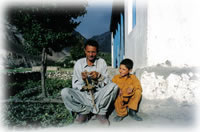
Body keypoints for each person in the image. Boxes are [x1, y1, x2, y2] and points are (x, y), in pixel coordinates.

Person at [61, 39, 118, 125]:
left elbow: (108, 83)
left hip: (98, 95)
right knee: (65, 92)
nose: (91, 54)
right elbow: (75, 85)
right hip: (84, 95)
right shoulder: (79, 63)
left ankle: (101, 113)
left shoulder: (101, 62)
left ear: (97, 51)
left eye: (93, 52)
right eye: (88, 52)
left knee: (114, 86)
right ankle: (84, 112)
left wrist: (98, 77)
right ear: (85, 51)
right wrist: (83, 80)